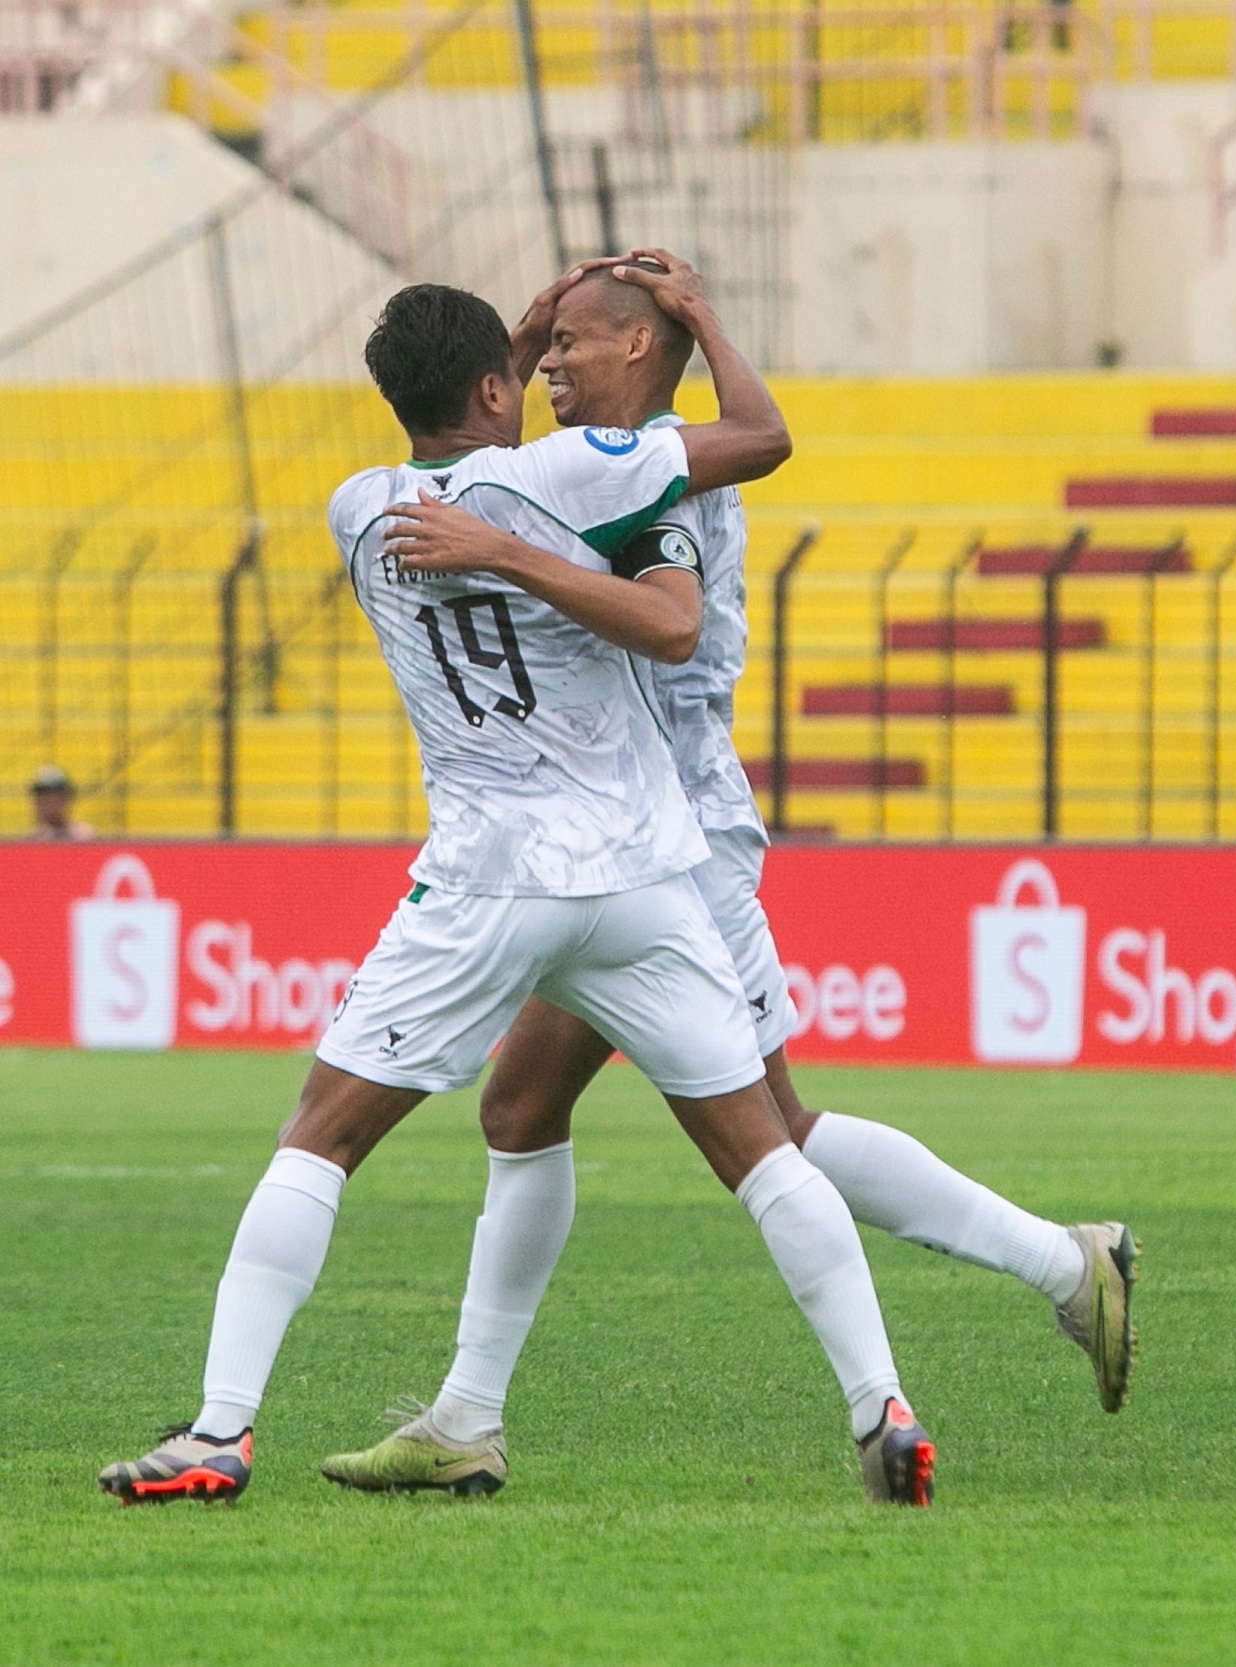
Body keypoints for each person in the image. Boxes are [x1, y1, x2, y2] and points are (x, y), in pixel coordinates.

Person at [99, 269, 936, 1510]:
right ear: (499, 383)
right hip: (644, 875)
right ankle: (882, 1402)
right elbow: (754, 452)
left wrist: (502, 375)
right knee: (763, 1151)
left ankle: (221, 1431)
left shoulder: (357, 509)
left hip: (489, 875)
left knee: (321, 1135)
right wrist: (693, 325)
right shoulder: (580, 473)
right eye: (525, 363)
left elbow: (471, 451)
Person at [318, 258, 1135, 1500]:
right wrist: (516, 338)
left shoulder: (653, 475)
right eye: (537, 358)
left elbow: (692, 564)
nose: (548, 369)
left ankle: (1037, 1287)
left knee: (745, 1136)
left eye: (575, 348)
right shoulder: (588, 463)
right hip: (631, 840)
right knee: (560, 1115)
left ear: (643, 353)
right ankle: (466, 1415)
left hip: (667, 847)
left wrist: (702, 320)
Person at [29, 765, 94, 840]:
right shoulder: (27, 838)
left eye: (56, 793)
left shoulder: (82, 836)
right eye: (42, 794)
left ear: (67, 798)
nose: (49, 800)